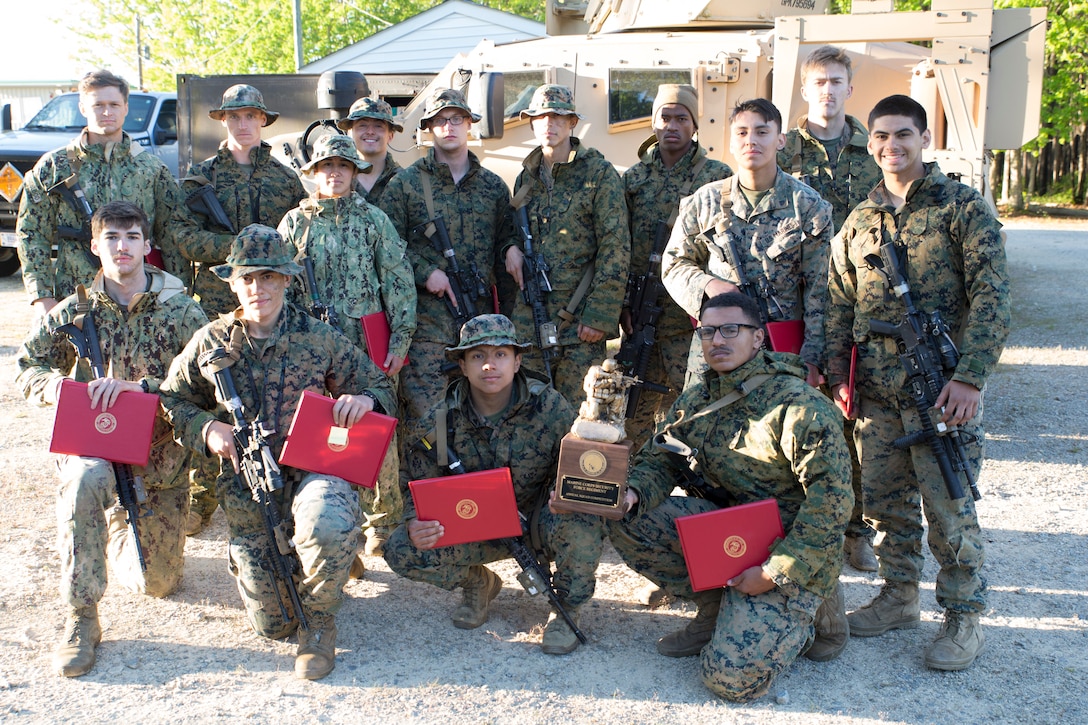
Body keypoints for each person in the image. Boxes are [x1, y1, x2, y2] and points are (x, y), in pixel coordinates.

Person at [159, 225, 396, 680]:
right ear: (231, 282)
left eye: (268, 277)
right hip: (248, 491)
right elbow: (172, 399)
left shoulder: (318, 337)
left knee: (325, 522)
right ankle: (285, 561)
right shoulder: (211, 340)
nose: (257, 288)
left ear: (287, 279)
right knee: (274, 625)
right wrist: (207, 428)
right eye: (247, 278)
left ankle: (321, 622)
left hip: (313, 473)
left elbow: (378, 382)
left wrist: (363, 400)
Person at [826, 94, 1010, 672]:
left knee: (950, 505)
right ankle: (898, 596)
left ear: (923, 138)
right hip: (876, 397)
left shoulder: (962, 208)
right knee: (884, 506)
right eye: (880, 136)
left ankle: (963, 615)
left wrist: (971, 378)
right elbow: (838, 303)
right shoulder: (859, 220)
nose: (890, 146)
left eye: (903, 134)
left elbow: (992, 297)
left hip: (940, 391)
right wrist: (838, 377)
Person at [607, 292, 852, 702]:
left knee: (731, 682)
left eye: (730, 330)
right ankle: (716, 608)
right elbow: (661, 458)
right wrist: (633, 493)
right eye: (707, 331)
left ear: (758, 338)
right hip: (730, 534)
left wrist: (775, 573)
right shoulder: (700, 396)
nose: (717, 340)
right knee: (626, 516)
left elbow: (832, 506)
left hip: (786, 546)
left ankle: (813, 609)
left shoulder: (799, 407)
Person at [16, 201, 209, 678]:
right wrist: (61, 388)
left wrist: (143, 389)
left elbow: (209, 384)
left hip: (159, 461)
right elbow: (27, 367)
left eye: (131, 237)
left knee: (157, 584)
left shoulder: (182, 311)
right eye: (111, 238)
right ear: (95, 246)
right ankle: (81, 618)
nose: (122, 247)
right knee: (83, 481)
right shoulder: (74, 311)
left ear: (148, 245)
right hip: (95, 449)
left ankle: (125, 522)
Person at [384, 314, 605, 655]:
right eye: (478, 356)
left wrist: (566, 492)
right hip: (476, 522)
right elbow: (413, 477)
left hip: (536, 521)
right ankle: (478, 582)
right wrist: (415, 520)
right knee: (402, 546)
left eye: (500, 354)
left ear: (518, 361)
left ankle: (566, 609)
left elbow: (584, 460)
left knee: (583, 519)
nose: (490, 365)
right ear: (462, 364)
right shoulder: (442, 420)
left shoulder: (547, 405)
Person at [279, 133, 416, 559]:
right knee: (320, 427)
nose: (334, 174)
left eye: (342, 166)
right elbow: (279, 284)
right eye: (326, 167)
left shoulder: (374, 219)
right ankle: (331, 518)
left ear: (354, 173)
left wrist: (401, 337)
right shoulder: (294, 223)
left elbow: (398, 279)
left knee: (378, 426)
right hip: (312, 344)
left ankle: (383, 520)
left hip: (365, 339)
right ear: (313, 174)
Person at [178, 84, 306, 535]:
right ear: (223, 121)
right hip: (219, 301)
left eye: (251, 116)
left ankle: (275, 490)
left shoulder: (286, 179)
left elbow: (295, 237)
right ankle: (201, 497)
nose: (243, 124)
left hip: (269, 302)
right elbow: (181, 234)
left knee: (266, 397)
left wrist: (267, 265)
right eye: (234, 117)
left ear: (263, 121)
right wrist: (236, 253)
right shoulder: (202, 177)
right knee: (214, 397)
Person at [778, 45, 884, 573]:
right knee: (797, 414)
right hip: (796, 305)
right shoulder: (781, 150)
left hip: (861, 302)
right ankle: (797, 520)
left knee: (855, 415)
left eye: (837, 81)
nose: (827, 90)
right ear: (805, 89)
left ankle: (854, 528)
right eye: (818, 81)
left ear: (849, 87)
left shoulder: (874, 153)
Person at [662, 98, 832, 388]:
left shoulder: (807, 205)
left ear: (780, 140)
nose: (750, 140)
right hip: (717, 346)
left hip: (780, 349)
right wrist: (707, 286)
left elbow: (822, 288)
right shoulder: (705, 201)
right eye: (741, 132)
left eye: (761, 132)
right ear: (730, 142)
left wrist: (813, 356)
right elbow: (673, 264)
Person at [379, 88, 518, 434]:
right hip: (428, 324)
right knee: (430, 417)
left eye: (456, 119)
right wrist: (427, 273)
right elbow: (384, 248)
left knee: (481, 415)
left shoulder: (493, 187)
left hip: (482, 322)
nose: (449, 126)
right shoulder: (406, 185)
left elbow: (505, 248)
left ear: (469, 124)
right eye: (440, 120)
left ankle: (472, 487)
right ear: (429, 128)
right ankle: (427, 487)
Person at [17, 69, 189, 316]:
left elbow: (172, 235)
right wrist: (42, 297)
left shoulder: (150, 169)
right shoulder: (54, 167)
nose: (107, 112)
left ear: (126, 108)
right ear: (83, 108)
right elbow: (32, 234)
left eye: (114, 104)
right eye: (98, 105)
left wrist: (177, 292)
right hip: (76, 297)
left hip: (139, 302)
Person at [620, 83, 733, 450]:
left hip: (690, 313)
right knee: (633, 407)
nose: (672, 125)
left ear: (695, 125)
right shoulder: (634, 178)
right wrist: (622, 304)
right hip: (641, 312)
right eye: (664, 117)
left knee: (691, 406)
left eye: (681, 118)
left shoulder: (717, 175)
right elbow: (620, 244)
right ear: (653, 123)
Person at [507, 84, 630, 406]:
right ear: (531, 122)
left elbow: (615, 247)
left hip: (579, 320)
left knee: (580, 411)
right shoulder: (526, 177)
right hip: (532, 317)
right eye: (542, 117)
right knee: (530, 408)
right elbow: (513, 229)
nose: (550, 124)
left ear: (573, 123)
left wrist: (599, 316)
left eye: (559, 117)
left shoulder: (598, 174)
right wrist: (510, 248)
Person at [337, 96, 404, 204]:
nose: (370, 132)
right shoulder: (336, 180)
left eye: (378, 126)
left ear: (390, 135)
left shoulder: (406, 181)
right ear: (349, 133)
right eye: (362, 125)